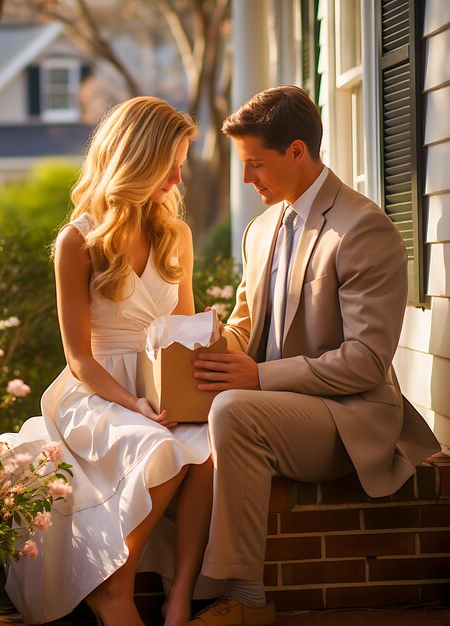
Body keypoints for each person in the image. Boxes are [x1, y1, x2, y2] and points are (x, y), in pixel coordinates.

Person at [188, 86, 440, 626]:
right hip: (280, 409)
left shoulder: (361, 227)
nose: (246, 178)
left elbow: (367, 362)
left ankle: (247, 599)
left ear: (297, 152)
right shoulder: (261, 230)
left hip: (350, 417)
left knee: (234, 409)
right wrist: (207, 343)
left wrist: (257, 376)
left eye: (256, 164)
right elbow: (246, 326)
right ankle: (181, 590)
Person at [0, 96, 213, 626]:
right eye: (171, 163)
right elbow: (79, 359)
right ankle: (116, 589)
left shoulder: (175, 235)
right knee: (159, 446)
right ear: (138, 158)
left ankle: (180, 594)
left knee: (209, 448)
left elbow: (179, 337)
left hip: (158, 389)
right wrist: (133, 402)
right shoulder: (78, 241)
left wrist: (204, 353)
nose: (178, 178)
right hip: (96, 394)